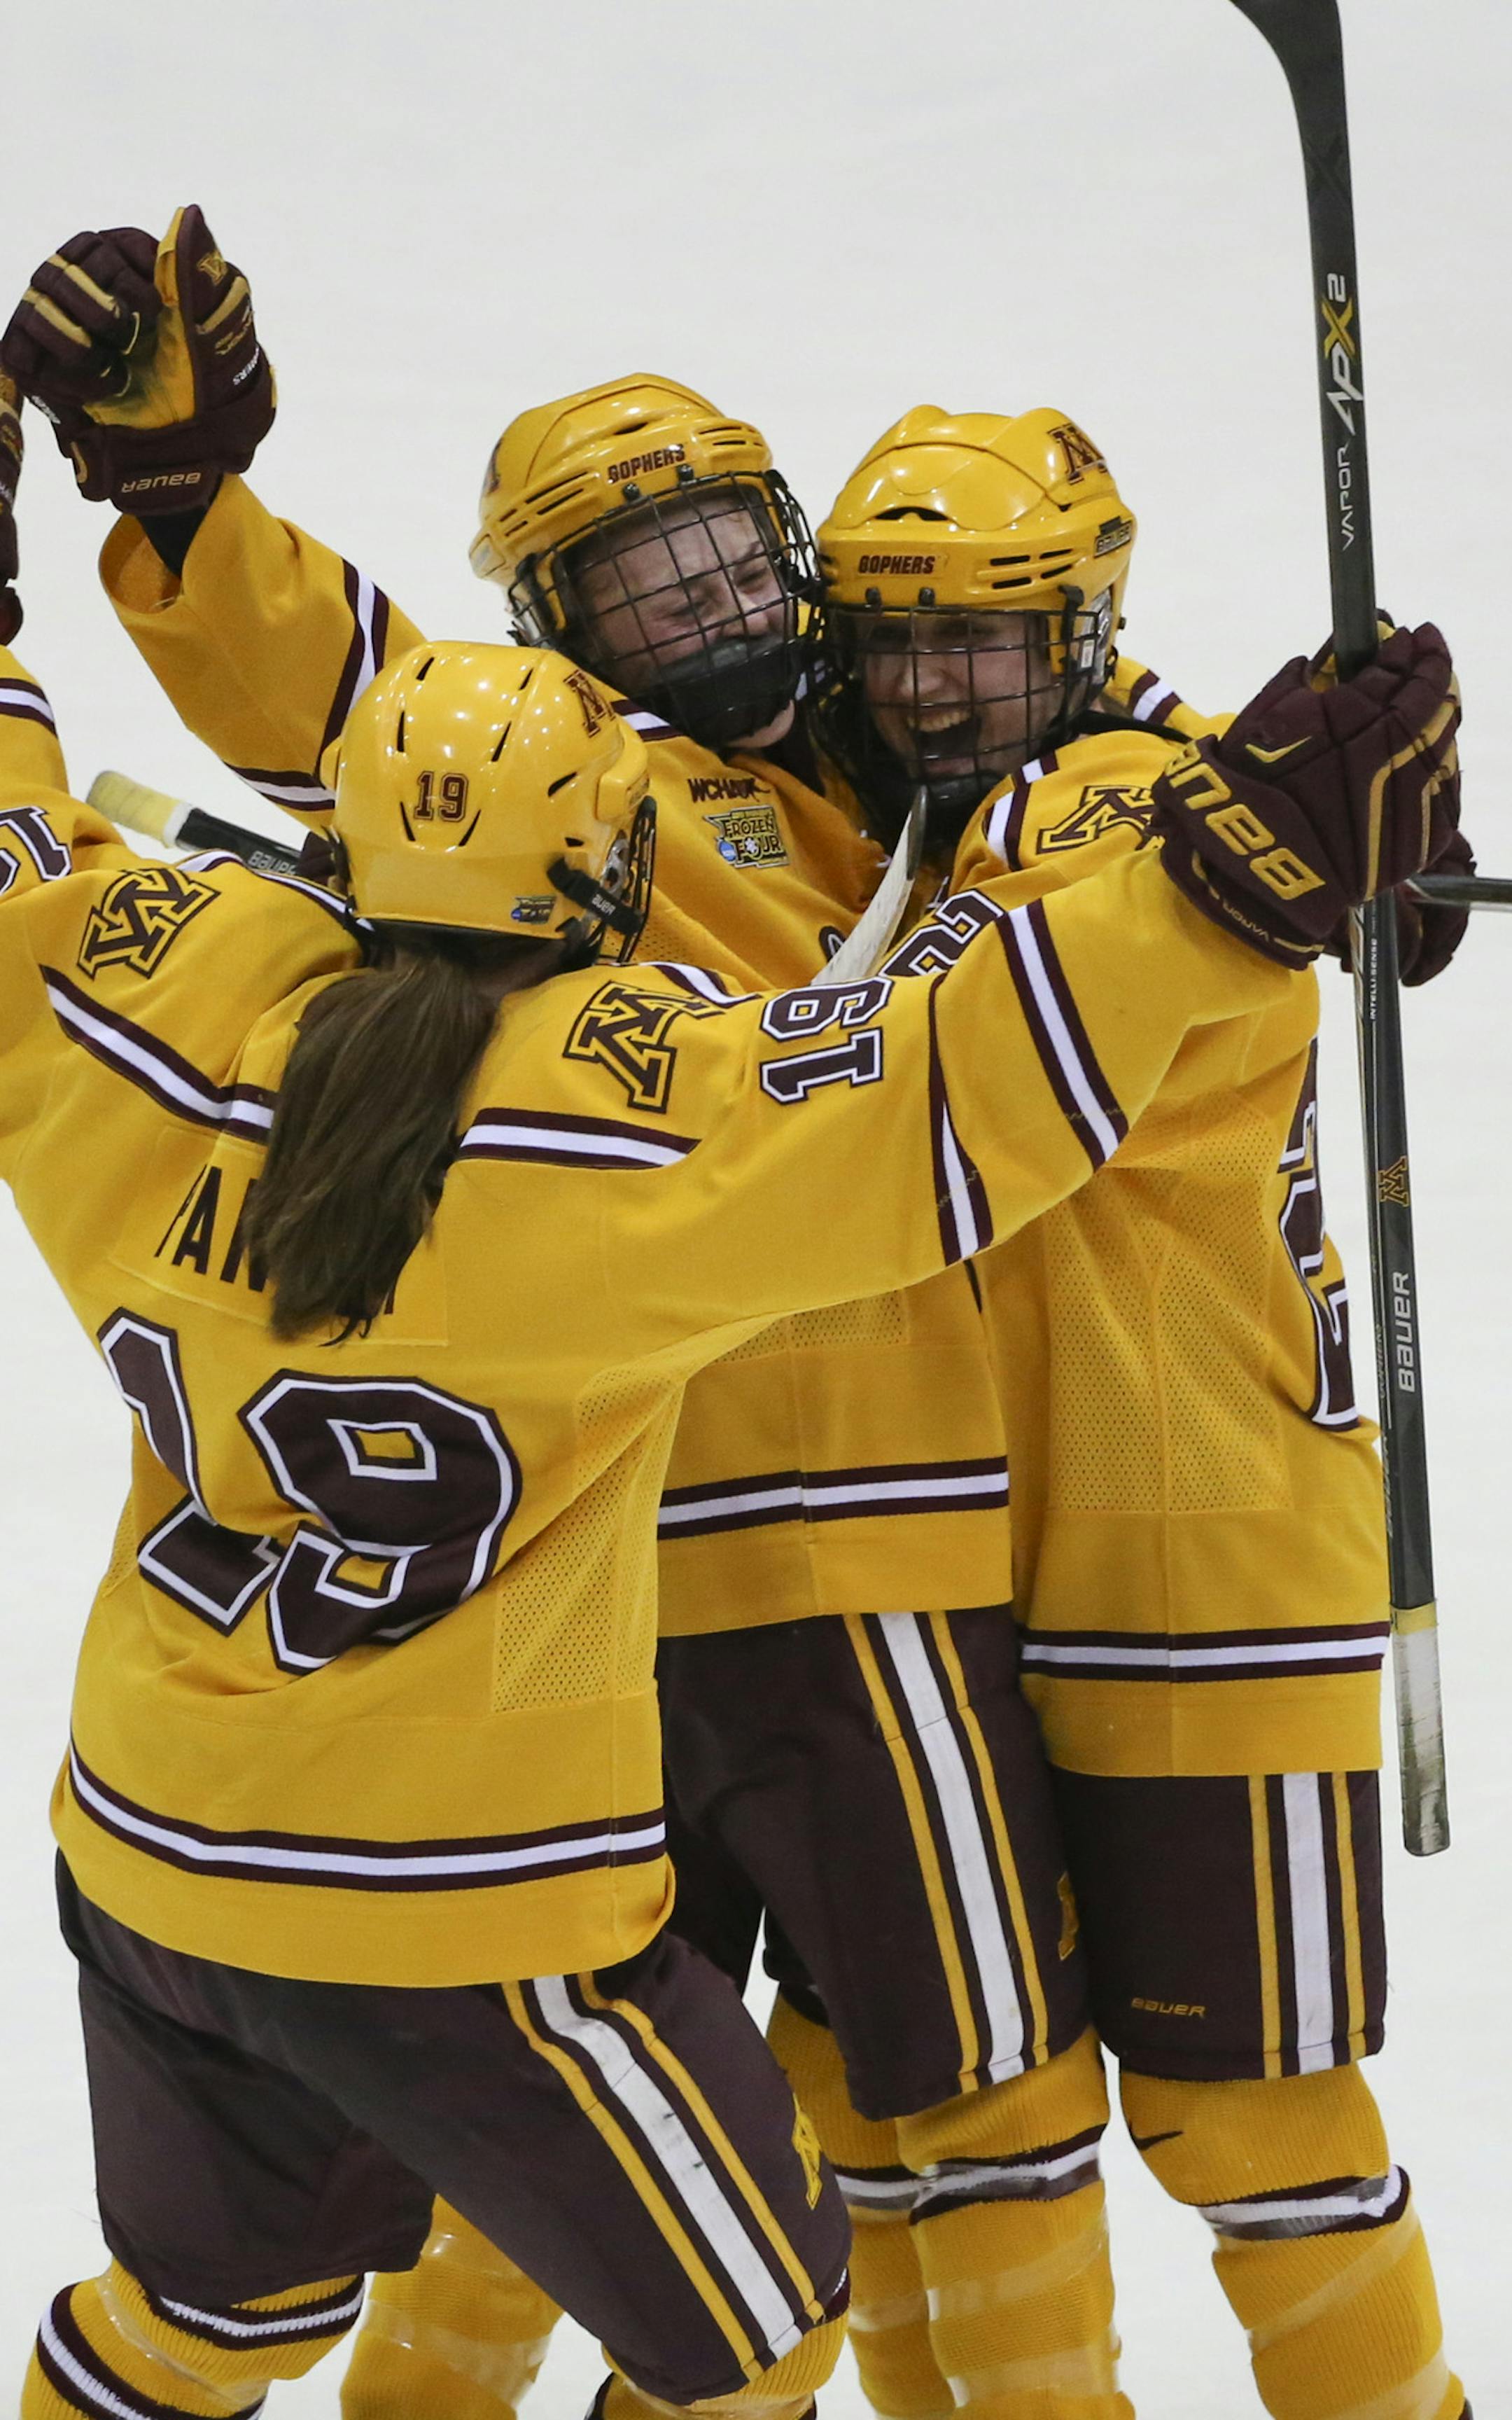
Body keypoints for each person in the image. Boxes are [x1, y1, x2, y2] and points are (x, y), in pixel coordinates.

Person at [6, 214, 1130, 2416]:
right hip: (684, 1577)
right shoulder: (584, 789)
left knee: (793, 2116)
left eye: (729, 559)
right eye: (635, 588)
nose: (700, 610)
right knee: (672, 2132)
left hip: (684, 1576)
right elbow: (356, 696)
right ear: (560, 644)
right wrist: (185, 516)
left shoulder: (949, 728)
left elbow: (1106, 734)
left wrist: (1252, 828)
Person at [799, 402, 1471, 2420]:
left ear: (1080, 632)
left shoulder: (1123, 812)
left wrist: (1335, 868)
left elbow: (1012, 1047)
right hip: (954, 1553)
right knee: (895, 2079)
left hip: (1200, 1554)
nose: (929, 684)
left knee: (1243, 2109)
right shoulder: (964, 806)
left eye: (984, 641)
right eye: (894, 638)